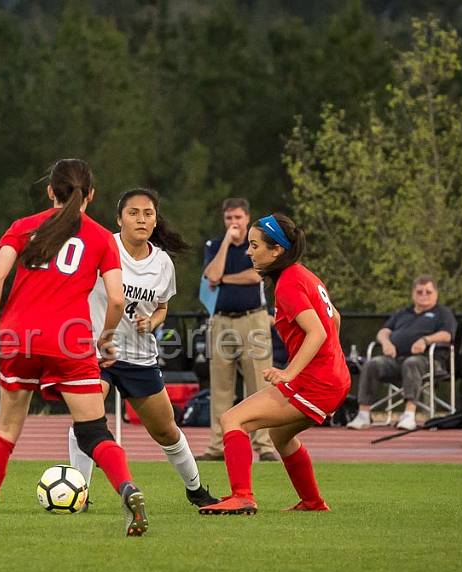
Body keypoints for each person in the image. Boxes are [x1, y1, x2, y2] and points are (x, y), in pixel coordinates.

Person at [0, 158, 149, 537]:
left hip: (20, 337)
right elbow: (116, 299)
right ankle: (128, 488)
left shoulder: (23, 227)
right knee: (94, 431)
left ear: (50, 190)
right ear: (90, 196)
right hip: (71, 340)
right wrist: (107, 338)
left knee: (5, 431)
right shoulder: (99, 238)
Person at [67, 188, 218, 508]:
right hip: (96, 351)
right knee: (87, 420)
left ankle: (196, 490)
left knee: (166, 431)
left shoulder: (162, 262)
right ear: (118, 218)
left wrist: (153, 323)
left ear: (155, 219)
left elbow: (161, 307)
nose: (141, 219)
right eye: (133, 212)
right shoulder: (101, 246)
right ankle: (79, 494)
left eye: (148, 213)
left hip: (139, 357)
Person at [199, 213, 349, 515]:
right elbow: (334, 318)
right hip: (335, 379)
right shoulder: (304, 275)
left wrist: (289, 372)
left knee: (232, 420)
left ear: (276, 249)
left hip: (316, 381)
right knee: (281, 436)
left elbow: (317, 331)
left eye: (255, 245)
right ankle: (313, 503)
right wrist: (331, 361)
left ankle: (242, 496)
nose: (249, 251)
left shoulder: (288, 284)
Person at [201, 198, 277, 462]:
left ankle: (264, 445)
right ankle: (217, 446)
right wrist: (225, 243)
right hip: (221, 320)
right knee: (221, 386)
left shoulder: (256, 245)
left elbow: (255, 274)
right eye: (229, 218)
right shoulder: (213, 245)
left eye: (238, 218)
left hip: (252, 319)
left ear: (247, 218)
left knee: (258, 384)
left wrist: (224, 280)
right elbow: (211, 275)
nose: (234, 223)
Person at [347, 275, 457, 431]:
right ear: (413, 293)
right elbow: (384, 331)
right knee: (372, 364)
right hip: (396, 359)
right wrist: (386, 343)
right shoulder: (402, 313)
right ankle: (363, 414)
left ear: (436, 293)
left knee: (412, 363)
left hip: (429, 361)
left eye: (428, 292)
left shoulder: (443, 313)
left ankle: (409, 415)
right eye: (420, 292)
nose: (424, 295)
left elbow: (447, 335)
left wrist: (425, 341)